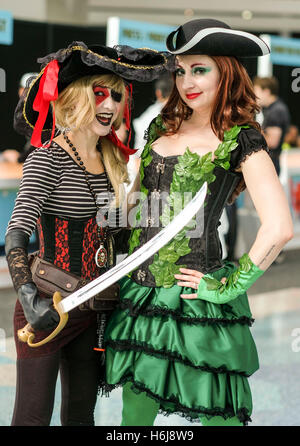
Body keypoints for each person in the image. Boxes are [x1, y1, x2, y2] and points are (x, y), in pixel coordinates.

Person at [102, 19, 293, 426]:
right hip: (141, 297)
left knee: (216, 415)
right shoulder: (160, 126)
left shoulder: (242, 138)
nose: (187, 81)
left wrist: (227, 287)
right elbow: (136, 204)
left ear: (226, 70)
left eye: (200, 68)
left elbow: (279, 226)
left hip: (198, 300)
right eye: (181, 70)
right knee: (134, 416)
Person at [5, 41, 173, 426]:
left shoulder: (110, 159)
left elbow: (116, 230)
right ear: (78, 98)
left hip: (94, 309)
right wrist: (30, 301)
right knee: (31, 418)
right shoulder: (48, 156)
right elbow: (16, 233)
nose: (110, 105)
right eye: (100, 93)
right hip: (48, 307)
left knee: (81, 418)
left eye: (117, 96)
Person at [253, 76, 290, 176]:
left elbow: (272, 142)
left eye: (256, 92)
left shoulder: (276, 110)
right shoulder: (273, 109)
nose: (254, 96)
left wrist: (252, 127)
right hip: (270, 162)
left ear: (266, 92)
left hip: (270, 163)